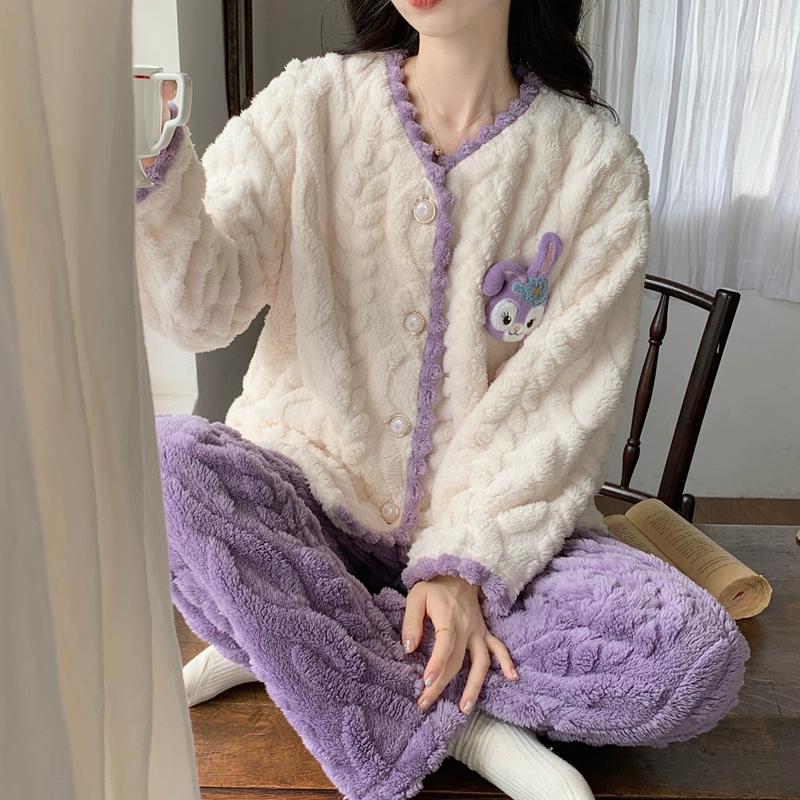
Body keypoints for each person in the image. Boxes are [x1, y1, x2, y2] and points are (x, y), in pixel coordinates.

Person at [135, 2, 750, 799]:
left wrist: (462, 569)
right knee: (162, 463)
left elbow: (555, 408)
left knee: (691, 655)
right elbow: (201, 311)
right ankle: (462, 726)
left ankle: (295, 643)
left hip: (496, 527)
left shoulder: (595, 164)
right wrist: (151, 172)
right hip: (306, 500)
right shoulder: (310, 102)